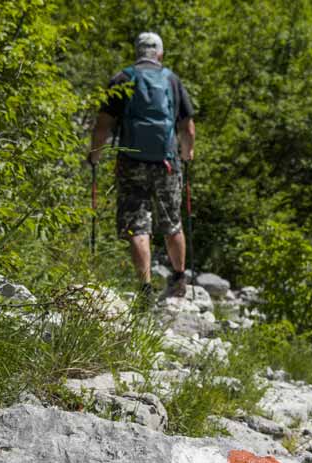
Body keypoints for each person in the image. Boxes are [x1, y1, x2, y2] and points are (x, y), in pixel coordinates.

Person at [88, 32, 196, 300]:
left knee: (137, 225)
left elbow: (103, 125)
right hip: (166, 163)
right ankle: (179, 279)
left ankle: (145, 288)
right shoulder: (171, 80)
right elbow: (188, 127)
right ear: (159, 53)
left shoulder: (122, 79)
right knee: (172, 222)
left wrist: (94, 156)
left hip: (131, 162)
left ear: (137, 52)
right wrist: (187, 153)